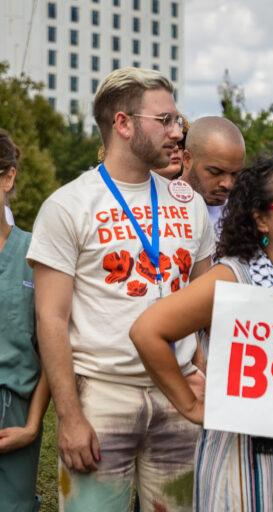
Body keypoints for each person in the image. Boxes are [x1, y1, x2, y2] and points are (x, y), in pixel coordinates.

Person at [27, 68, 216, 510]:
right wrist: (70, 417)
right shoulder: (68, 206)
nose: (178, 133)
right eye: (165, 121)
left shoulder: (189, 205)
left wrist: (208, 373)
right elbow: (51, 318)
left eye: (178, 121)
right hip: (103, 395)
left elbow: (207, 303)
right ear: (123, 124)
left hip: (181, 394)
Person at [130, 157, 273, 511]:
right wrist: (190, 406)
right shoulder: (232, 278)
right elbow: (148, 331)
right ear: (260, 218)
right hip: (247, 464)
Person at [0, 129, 50, 511]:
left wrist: (32, 426)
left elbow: (54, 347)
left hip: (13, 420)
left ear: (8, 177)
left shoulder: (37, 256)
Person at [181, 116, 246, 236]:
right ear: (187, 159)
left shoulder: (243, 217)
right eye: (215, 172)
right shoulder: (156, 209)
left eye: (235, 174)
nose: (228, 184)